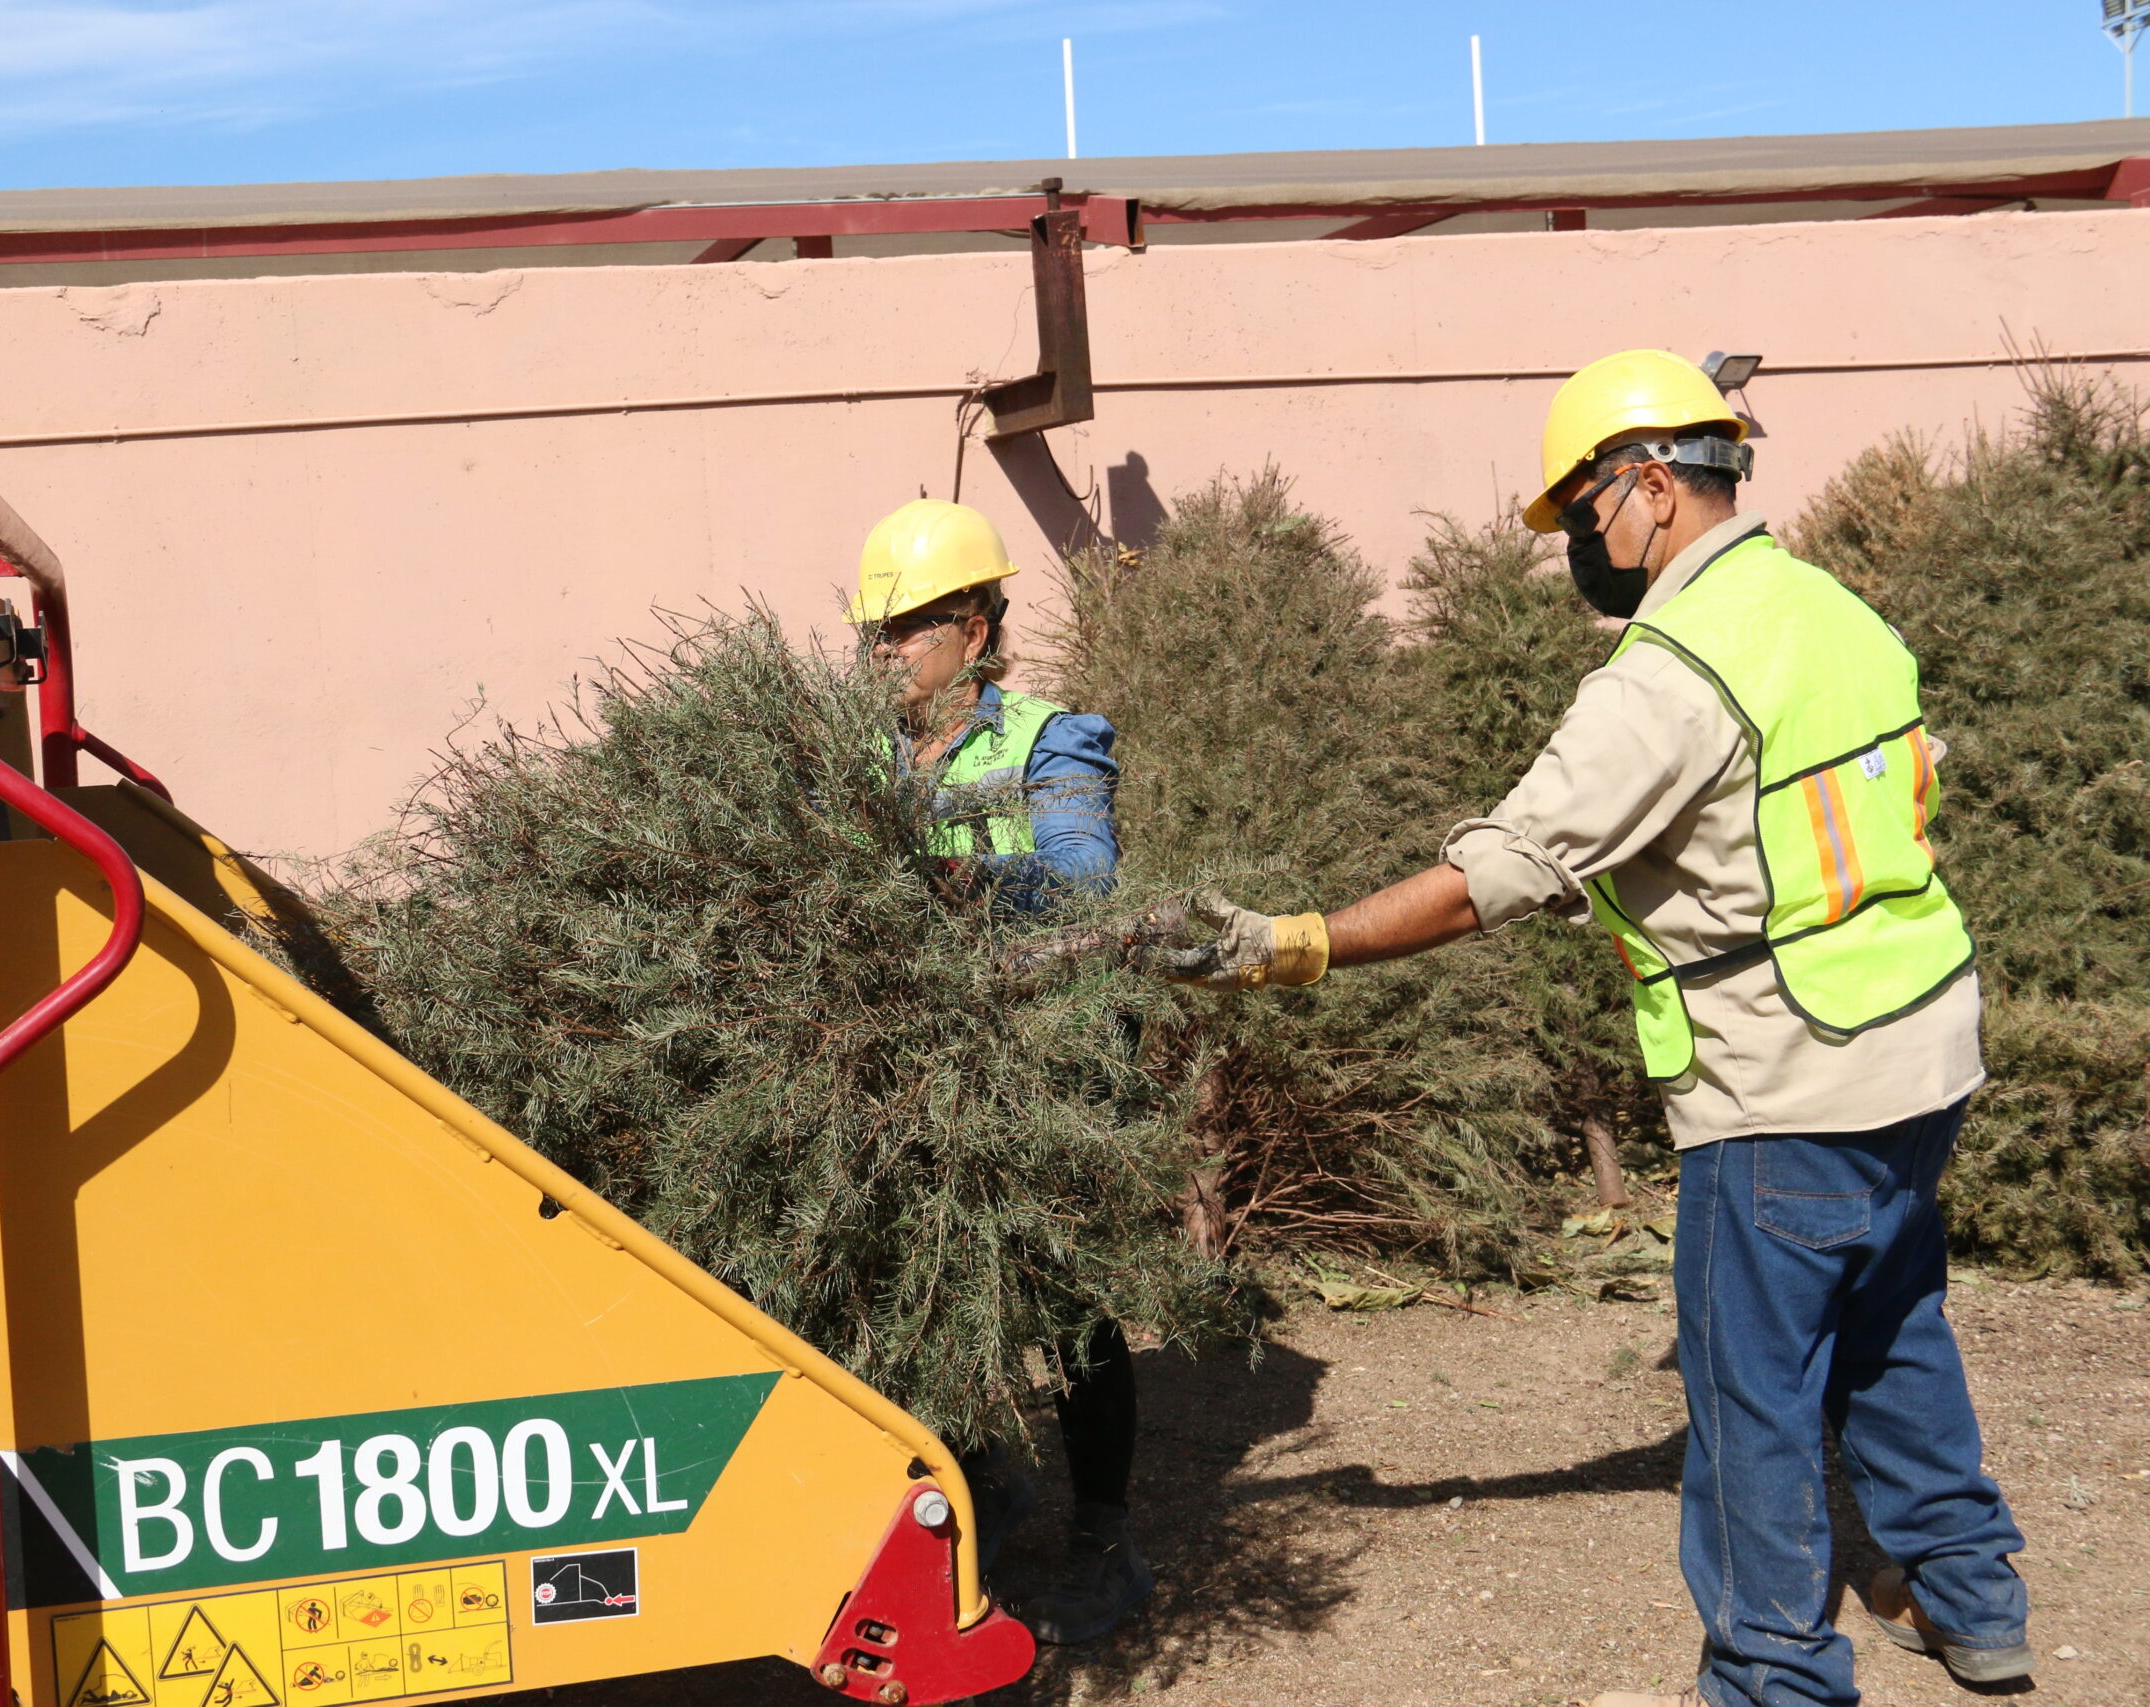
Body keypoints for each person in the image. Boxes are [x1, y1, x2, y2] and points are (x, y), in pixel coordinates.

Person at [1144, 351, 2031, 1707]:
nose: (1576, 543)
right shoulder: (1834, 608)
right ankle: (1974, 1603)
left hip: (1781, 1076)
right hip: (1921, 1045)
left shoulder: (1667, 676)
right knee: (1895, 1323)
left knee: (1751, 1401)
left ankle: (1774, 1677)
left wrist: (1292, 942)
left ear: (1654, 485)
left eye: (1580, 512)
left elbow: (1493, 875)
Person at [850, 498, 1148, 1644]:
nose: (884, 651)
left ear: (974, 629)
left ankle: (1105, 1543)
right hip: (919, 1059)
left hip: (1046, 1058)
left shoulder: (1050, 740)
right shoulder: (864, 753)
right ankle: (979, 1480)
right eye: (874, 631)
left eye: (906, 628)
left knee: (1066, 1298)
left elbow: (1081, 881)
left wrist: (956, 878)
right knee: (918, 1274)